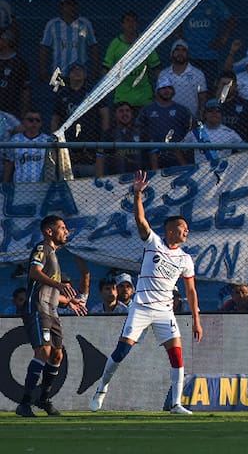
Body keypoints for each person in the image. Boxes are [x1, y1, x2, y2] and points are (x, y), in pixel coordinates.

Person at [90, 171, 202, 415]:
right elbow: (141, 221)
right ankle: (101, 389)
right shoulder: (154, 243)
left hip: (164, 312)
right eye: (183, 229)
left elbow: (191, 290)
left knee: (177, 356)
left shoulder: (185, 259)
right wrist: (138, 194)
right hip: (140, 308)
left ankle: (175, 403)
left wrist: (196, 319)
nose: (186, 232)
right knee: (122, 351)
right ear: (171, 230)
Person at [16, 215, 87, 417]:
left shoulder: (54, 255)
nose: (66, 231)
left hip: (52, 310)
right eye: (62, 227)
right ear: (49, 231)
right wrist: (58, 285)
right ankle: (25, 403)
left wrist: (68, 301)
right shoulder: (42, 249)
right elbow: (34, 272)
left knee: (57, 355)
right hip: (38, 308)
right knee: (43, 352)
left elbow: (50, 288)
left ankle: (44, 398)